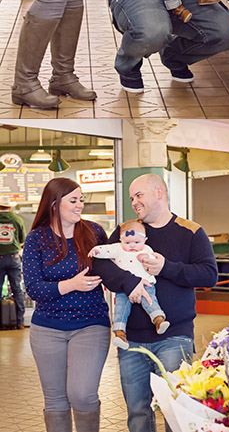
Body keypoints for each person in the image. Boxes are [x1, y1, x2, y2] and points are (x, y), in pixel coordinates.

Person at [92, 173, 218, 432]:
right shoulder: (128, 230)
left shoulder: (191, 232)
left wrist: (166, 268)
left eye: (139, 195)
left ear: (159, 193)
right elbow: (100, 262)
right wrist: (130, 283)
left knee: (176, 410)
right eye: (131, 198)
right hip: (130, 339)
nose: (134, 202)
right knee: (137, 414)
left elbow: (208, 275)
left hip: (174, 336)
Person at [22, 178, 111, 432]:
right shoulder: (36, 240)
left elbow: (114, 270)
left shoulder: (94, 233)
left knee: (82, 394)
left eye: (81, 199)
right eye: (73, 200)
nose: (79, 205)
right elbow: (34, 288)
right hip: (47, 329)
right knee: (56, 401)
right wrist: (70, 284)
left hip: (90, 324)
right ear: (53, 204)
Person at [89, 218, 170, 350]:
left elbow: (155, 260)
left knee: (150, 301)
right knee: (120, 308)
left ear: (144, 240)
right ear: (121, 240)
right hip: (124, 289)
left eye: (136, 242)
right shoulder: (119, 249)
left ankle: (158, 319)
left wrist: (145, 258)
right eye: (127, 242)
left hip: (146, 284)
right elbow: (106, 250)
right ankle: (120, 333)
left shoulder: (146, 249)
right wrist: (96, 251)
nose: (132, 246)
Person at [0, 195, 26, 329]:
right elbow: (22, 240)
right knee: (17, 290)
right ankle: (20, 322)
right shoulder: (17, 219)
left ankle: (1, 322)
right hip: (14, 258)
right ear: (9, 207)